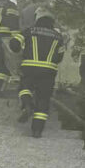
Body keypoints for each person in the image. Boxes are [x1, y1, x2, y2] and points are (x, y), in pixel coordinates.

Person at [11, 8, 66, 137]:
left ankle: (27, 103)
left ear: (37, 19)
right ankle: (37, 130)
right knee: (44, 99)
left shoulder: (29, 31)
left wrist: (21, 50)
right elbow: (60, 57)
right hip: (49, 70)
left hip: (29, 67)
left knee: (24, 87)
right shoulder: (59, 37)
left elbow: (14, 44)